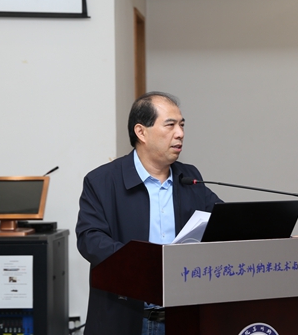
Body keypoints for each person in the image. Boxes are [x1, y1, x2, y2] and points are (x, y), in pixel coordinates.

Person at [76, 91, 223, 335]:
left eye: (182, 125)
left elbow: (222, 222)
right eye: (170, 125)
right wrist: (146, 265)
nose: (180, 133)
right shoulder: (102, 181)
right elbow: (90, 239)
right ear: (141, 132)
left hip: (182, 315)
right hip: (127, 316)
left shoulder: (189, 177)